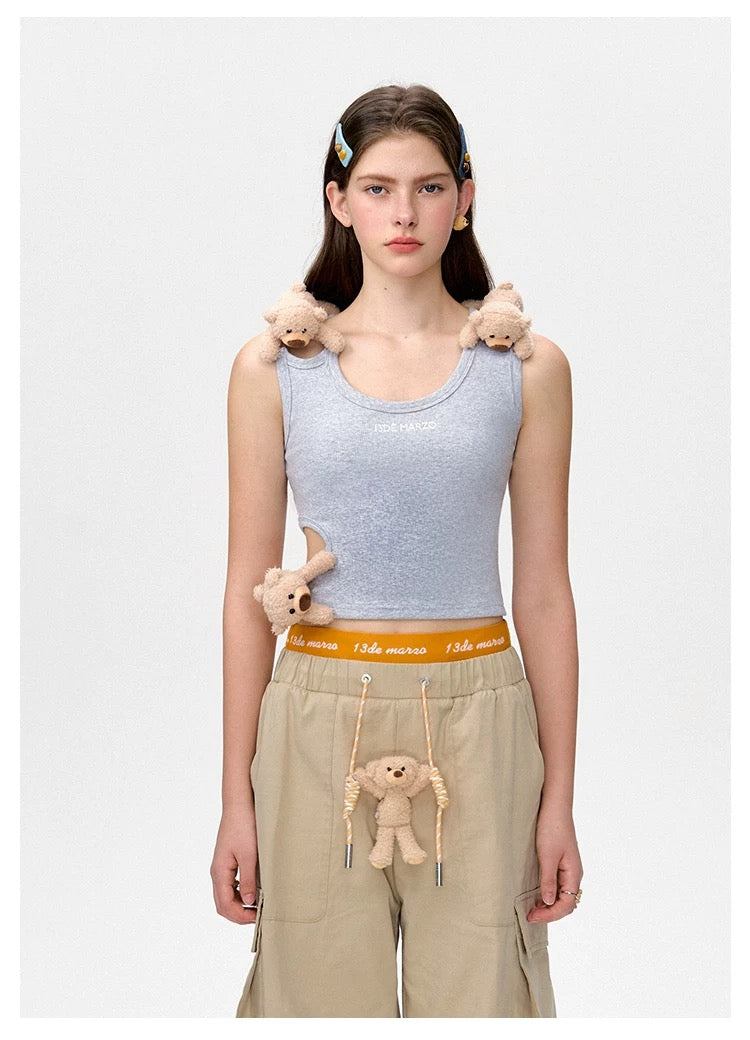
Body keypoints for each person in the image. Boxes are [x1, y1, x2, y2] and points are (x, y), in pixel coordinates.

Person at [210, 83, 583, 1018]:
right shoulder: (277, 367)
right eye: (377, 188)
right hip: (314, 717)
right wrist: (235, 800)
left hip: (481, 716)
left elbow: (544, 591)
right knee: (315, 1005)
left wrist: (559, 801)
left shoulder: (526, 367)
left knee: (486, 1001)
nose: (404, 213)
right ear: (338, 201)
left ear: (465, 196)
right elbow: (246, 590)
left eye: (428, 187)